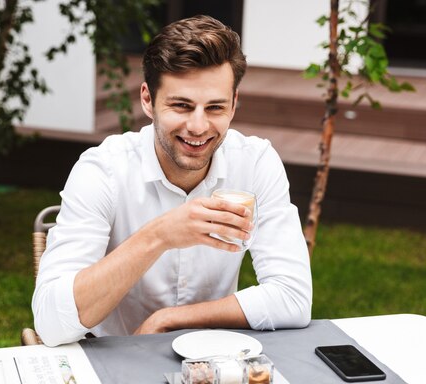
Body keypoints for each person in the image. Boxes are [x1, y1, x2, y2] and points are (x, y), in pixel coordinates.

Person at [32, 15, 312, 347]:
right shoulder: (103, 171)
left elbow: (293, 298)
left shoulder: (255, 163)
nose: (198, 126)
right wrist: (160, 235)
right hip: (112, 360)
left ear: (234, 104)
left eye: (215, 107)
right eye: (181, 105)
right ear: (148, 100)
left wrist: (169, 320)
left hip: (213, 362)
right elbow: (51, 323)